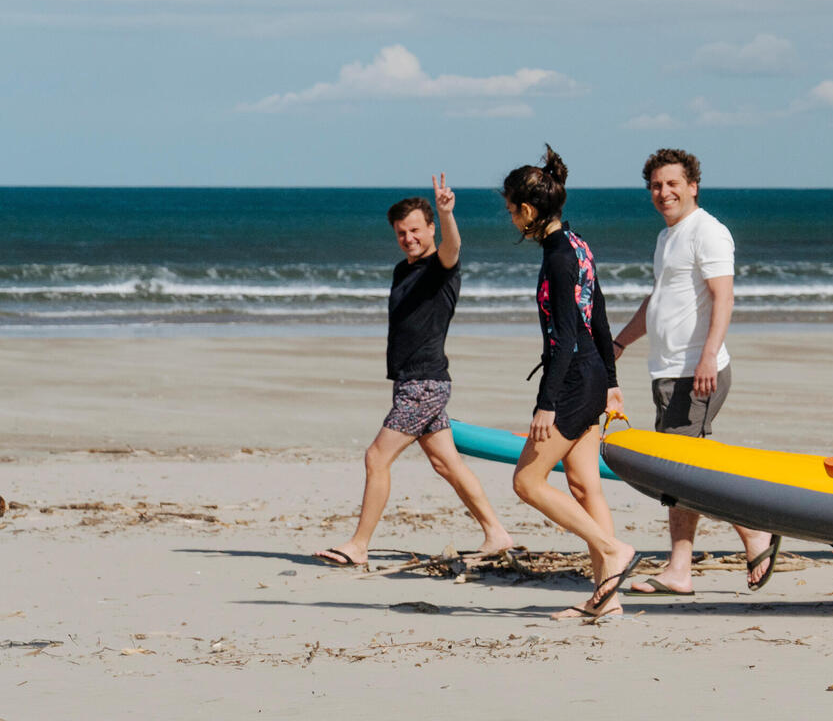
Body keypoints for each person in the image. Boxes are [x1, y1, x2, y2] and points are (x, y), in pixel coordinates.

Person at [312, 175, 514, 568]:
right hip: (413, 381)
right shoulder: (401, 271)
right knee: (447, 463)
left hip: (423, 385)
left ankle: (358, 545)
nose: (409, 238)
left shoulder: (441, 267)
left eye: (416, 230)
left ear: (430, 229)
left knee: (376, 457)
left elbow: (454, 247)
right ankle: (497, 533)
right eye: (402, 232)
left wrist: (446, 212)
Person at [615, 148, 779, 597]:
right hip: (669, 373)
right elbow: (657, 301)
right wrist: (619, 343)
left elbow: (723, 298)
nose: (663, 192)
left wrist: (708, 356)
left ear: (692, 186)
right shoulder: (668, 236)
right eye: (655, 185)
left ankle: (698, 560)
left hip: (695, 372)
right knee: (687, 471)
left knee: (678, 474)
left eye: (671, 184)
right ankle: (742, 538)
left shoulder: (708, 232)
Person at [501, 146, 640, 619]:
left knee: (527, 480)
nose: (510, 220)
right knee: (584, 485)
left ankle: (612, 549)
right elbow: (597, 314)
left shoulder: (560, 257)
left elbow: (563, 336)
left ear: (527, 210)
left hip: (575, 380)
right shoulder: (576, 244)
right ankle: (608, 597)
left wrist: (546, 404)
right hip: (591, 375)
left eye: (510, 210)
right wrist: (612, 380)